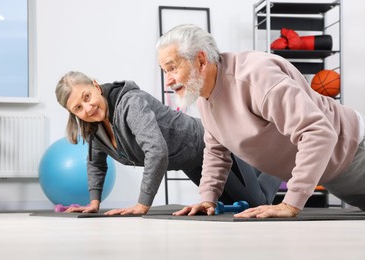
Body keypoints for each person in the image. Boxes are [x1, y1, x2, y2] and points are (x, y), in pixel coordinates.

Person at [156, 24, 365, 218]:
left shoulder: (255, 77)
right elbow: (216, 150)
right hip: (331, 173)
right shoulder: (205, 96)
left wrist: (291, 203)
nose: (169, 80)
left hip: (353, 152)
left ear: (201, 60)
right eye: (165, 71)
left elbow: (318, 132)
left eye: (172, 68)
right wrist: (208, 199)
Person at [55, 71, 281, 215]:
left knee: (256, 204)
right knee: (238, 208)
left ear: (95, 85)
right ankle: (269, 155)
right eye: (78, 108)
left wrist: (142, 205)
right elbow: (96, 164)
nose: (88, 108)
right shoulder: (94, 128)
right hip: (190, 161)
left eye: (86, 97)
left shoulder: (131, 104)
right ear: (72, 113)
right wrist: (94, 203)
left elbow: (157, 151)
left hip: (213, 143)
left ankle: (285, 158)